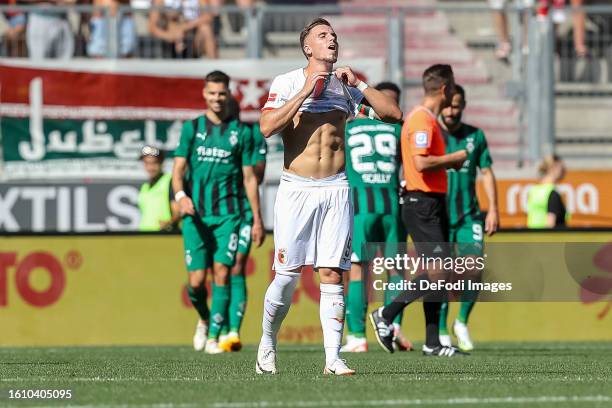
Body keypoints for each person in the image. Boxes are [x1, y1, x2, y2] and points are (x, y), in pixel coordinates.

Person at [255, 18, 402, 375]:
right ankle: (267, 343)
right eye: (322, 36)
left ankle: (333, 358)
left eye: (333, 35)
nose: (331, 39)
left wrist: (362, 84)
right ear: (308, 47)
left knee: (333, 275)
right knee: (287, 276)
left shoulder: (347, 87)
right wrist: (306, 90)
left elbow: (394, 115)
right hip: (297, 189)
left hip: (336, 187)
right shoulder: (288, 81)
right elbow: (267, 127)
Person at [369, 64, 468, 357]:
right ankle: (386, 314)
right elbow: (422, 162)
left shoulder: (427, 120)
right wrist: (455, 158)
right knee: (439, 271)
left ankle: (432, 342)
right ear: (444, 89)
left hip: (431, 202)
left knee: (438, 272)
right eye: (451, 87)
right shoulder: (422, 120)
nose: (452, 92)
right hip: (421, 203)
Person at [172, 70, 264, 353]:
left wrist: (258, 219)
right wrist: (180, 196)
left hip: (229, 215)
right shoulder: (192, 128)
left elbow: (250, 178)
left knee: (223, 272)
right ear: (204, 93)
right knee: (197, 282)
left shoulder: (242, 133)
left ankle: (214, 337)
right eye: (212, 93)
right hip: (196, 216)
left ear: (228, 94)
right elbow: (178, 170)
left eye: (221, 93)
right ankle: (203, 318)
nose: (216, 98)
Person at [340, 81, 412, 354]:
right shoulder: (398, 128)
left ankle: (357, 337)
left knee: (359, 271)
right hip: (393, 206)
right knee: (396, 270)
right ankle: (392, 328)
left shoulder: (347, 128)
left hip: (360, 208)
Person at [437, 84, 499, 352]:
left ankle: (461, 321)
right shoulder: (430, 133)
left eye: (457, 105)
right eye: (448, 105)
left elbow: (486, 172)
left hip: (468, 216)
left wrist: (494, 209)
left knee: (473, 268)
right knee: (438, 275)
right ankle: (440, 331)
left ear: (463, 105)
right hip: (437, 215)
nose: (452, 110)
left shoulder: (476, 136)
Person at [217, 121, 267, 353]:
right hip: (219, 211)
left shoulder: (253, 135)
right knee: (219, 269)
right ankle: (217, 326)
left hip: (245, 212)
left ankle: (233, 332)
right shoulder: (211, 134)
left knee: (237, 266)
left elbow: (258, 173)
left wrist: (240, 162)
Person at [148, 0, 218, 58]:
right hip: (171, 36)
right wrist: (169, 36)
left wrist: (184, 27)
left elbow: (208, 16)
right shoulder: (161, 1)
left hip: (193, 35)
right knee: (173, 23)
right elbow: (152, 27)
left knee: (205, 28)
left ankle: (214, 67)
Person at [137, 145, 181, 231]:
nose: (150, 167)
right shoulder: (144, 187)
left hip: (163, 236)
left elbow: (178, 211)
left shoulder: (170, 182)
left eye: (154, 163)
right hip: (143, 235)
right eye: (147, 163)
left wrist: (169, 223)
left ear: (162, 163)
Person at [527, 155, 567, 228]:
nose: (564, 171)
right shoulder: (553, 194)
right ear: (553, 168)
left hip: (533, 236)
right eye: (562, 168)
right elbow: (550, 224)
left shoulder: (533, 191)